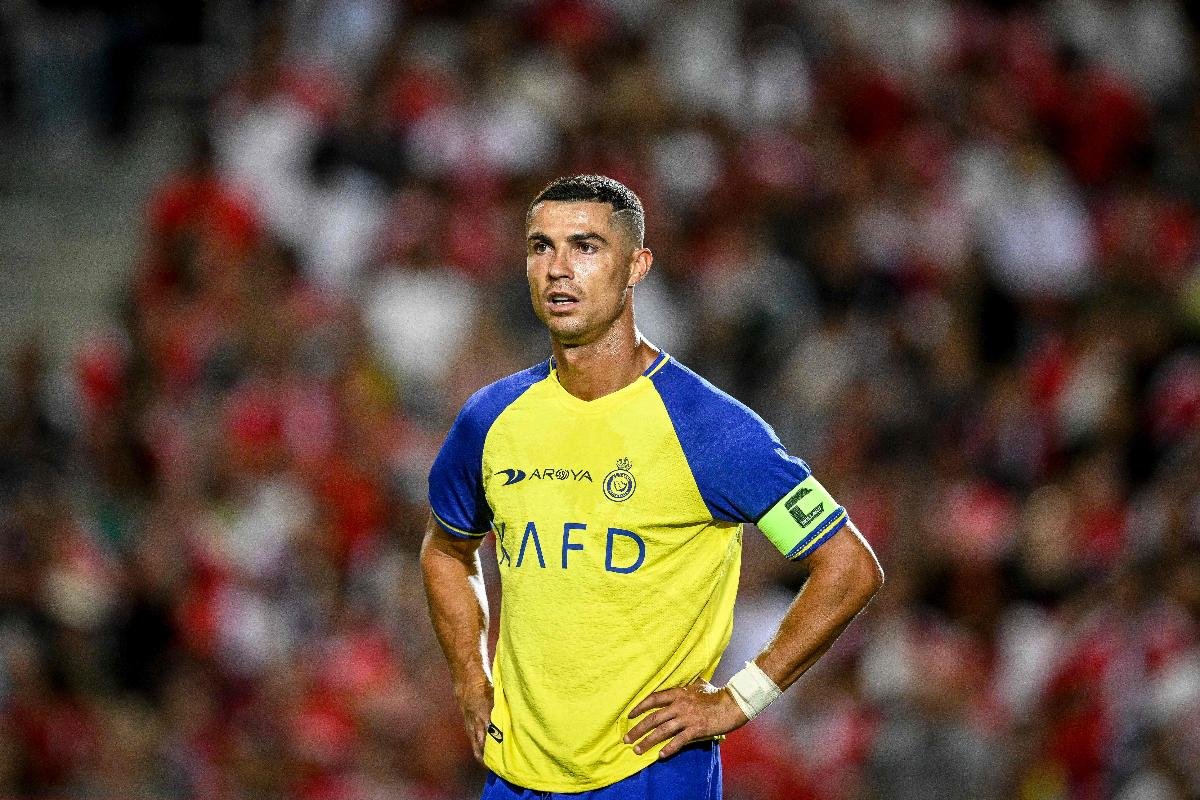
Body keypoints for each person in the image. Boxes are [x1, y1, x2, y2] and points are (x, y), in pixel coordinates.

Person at [421, 175, 884, 799]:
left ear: (637, 266)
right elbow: (446, 550)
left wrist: (738, 700)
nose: (559, 269)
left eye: (585, 247)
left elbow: (849, 567)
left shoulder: (706, 428)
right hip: (517, 777)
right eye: (541, 247)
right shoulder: (491, 419)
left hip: (651, 775)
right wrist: (470, 681)